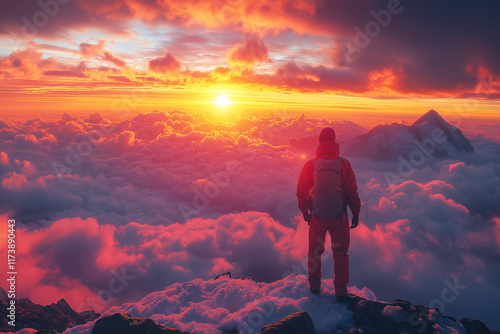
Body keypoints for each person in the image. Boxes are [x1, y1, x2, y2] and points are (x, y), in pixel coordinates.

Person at [297, 127, 361, 298]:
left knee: (314, 252)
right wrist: (355, 212)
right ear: (334, 142)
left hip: (317, 218)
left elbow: (302, 191)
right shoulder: (344, 164)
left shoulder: (311, 165)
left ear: (319, 142)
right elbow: (351, 190)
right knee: (340, 254)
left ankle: (314, 288)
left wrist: (304, 210)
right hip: (339, 218)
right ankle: (340, 292)